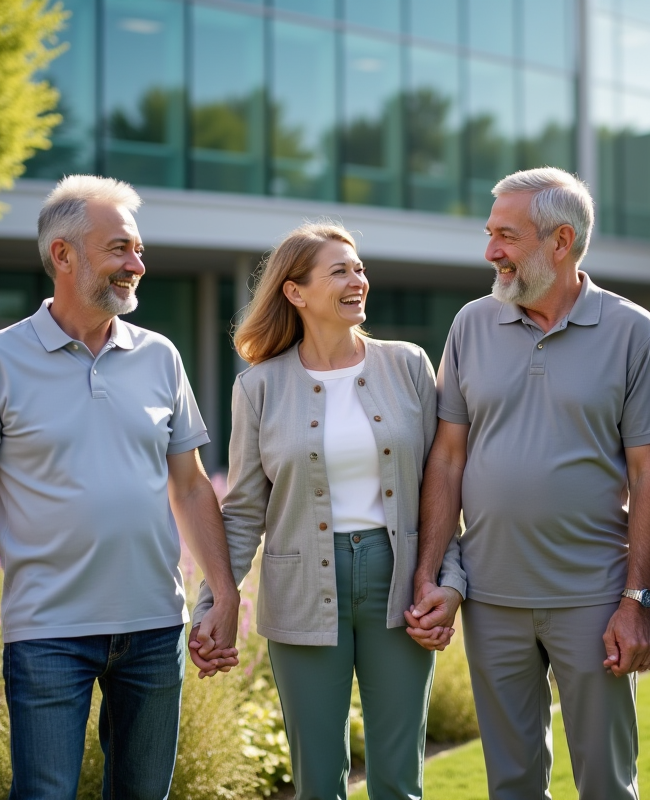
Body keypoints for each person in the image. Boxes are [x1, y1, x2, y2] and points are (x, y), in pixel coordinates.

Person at [0, 175, 240, 799]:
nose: (138, 265)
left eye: (137, 249)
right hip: (47, 633)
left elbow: (187, 486)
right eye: (121, 249)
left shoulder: (159, 355)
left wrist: (225, 593)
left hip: (156, 629)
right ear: (63, 255)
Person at [409, 167, 650, 800]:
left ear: (561, 242)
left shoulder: (632, 330)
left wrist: (639, 600)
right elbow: (447, 459)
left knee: (607, 783)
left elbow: (649, 472)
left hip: (594, 597)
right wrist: (430, 571)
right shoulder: (472, 323)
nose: (490, 252)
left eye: (505, 235)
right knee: (511, 783)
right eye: (489, 233)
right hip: (492, 594)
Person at [190, 222, 465, 800]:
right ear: (296, 292)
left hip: (401, 584)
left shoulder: (409, 365)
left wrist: (449, 579)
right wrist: (214, 603)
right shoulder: (259, 387)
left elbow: (443, 481)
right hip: (300, 587)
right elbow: (242, 510)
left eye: (359, 267)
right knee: (318, 779)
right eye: (339, 270)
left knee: (398, 777)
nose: (357, 280)